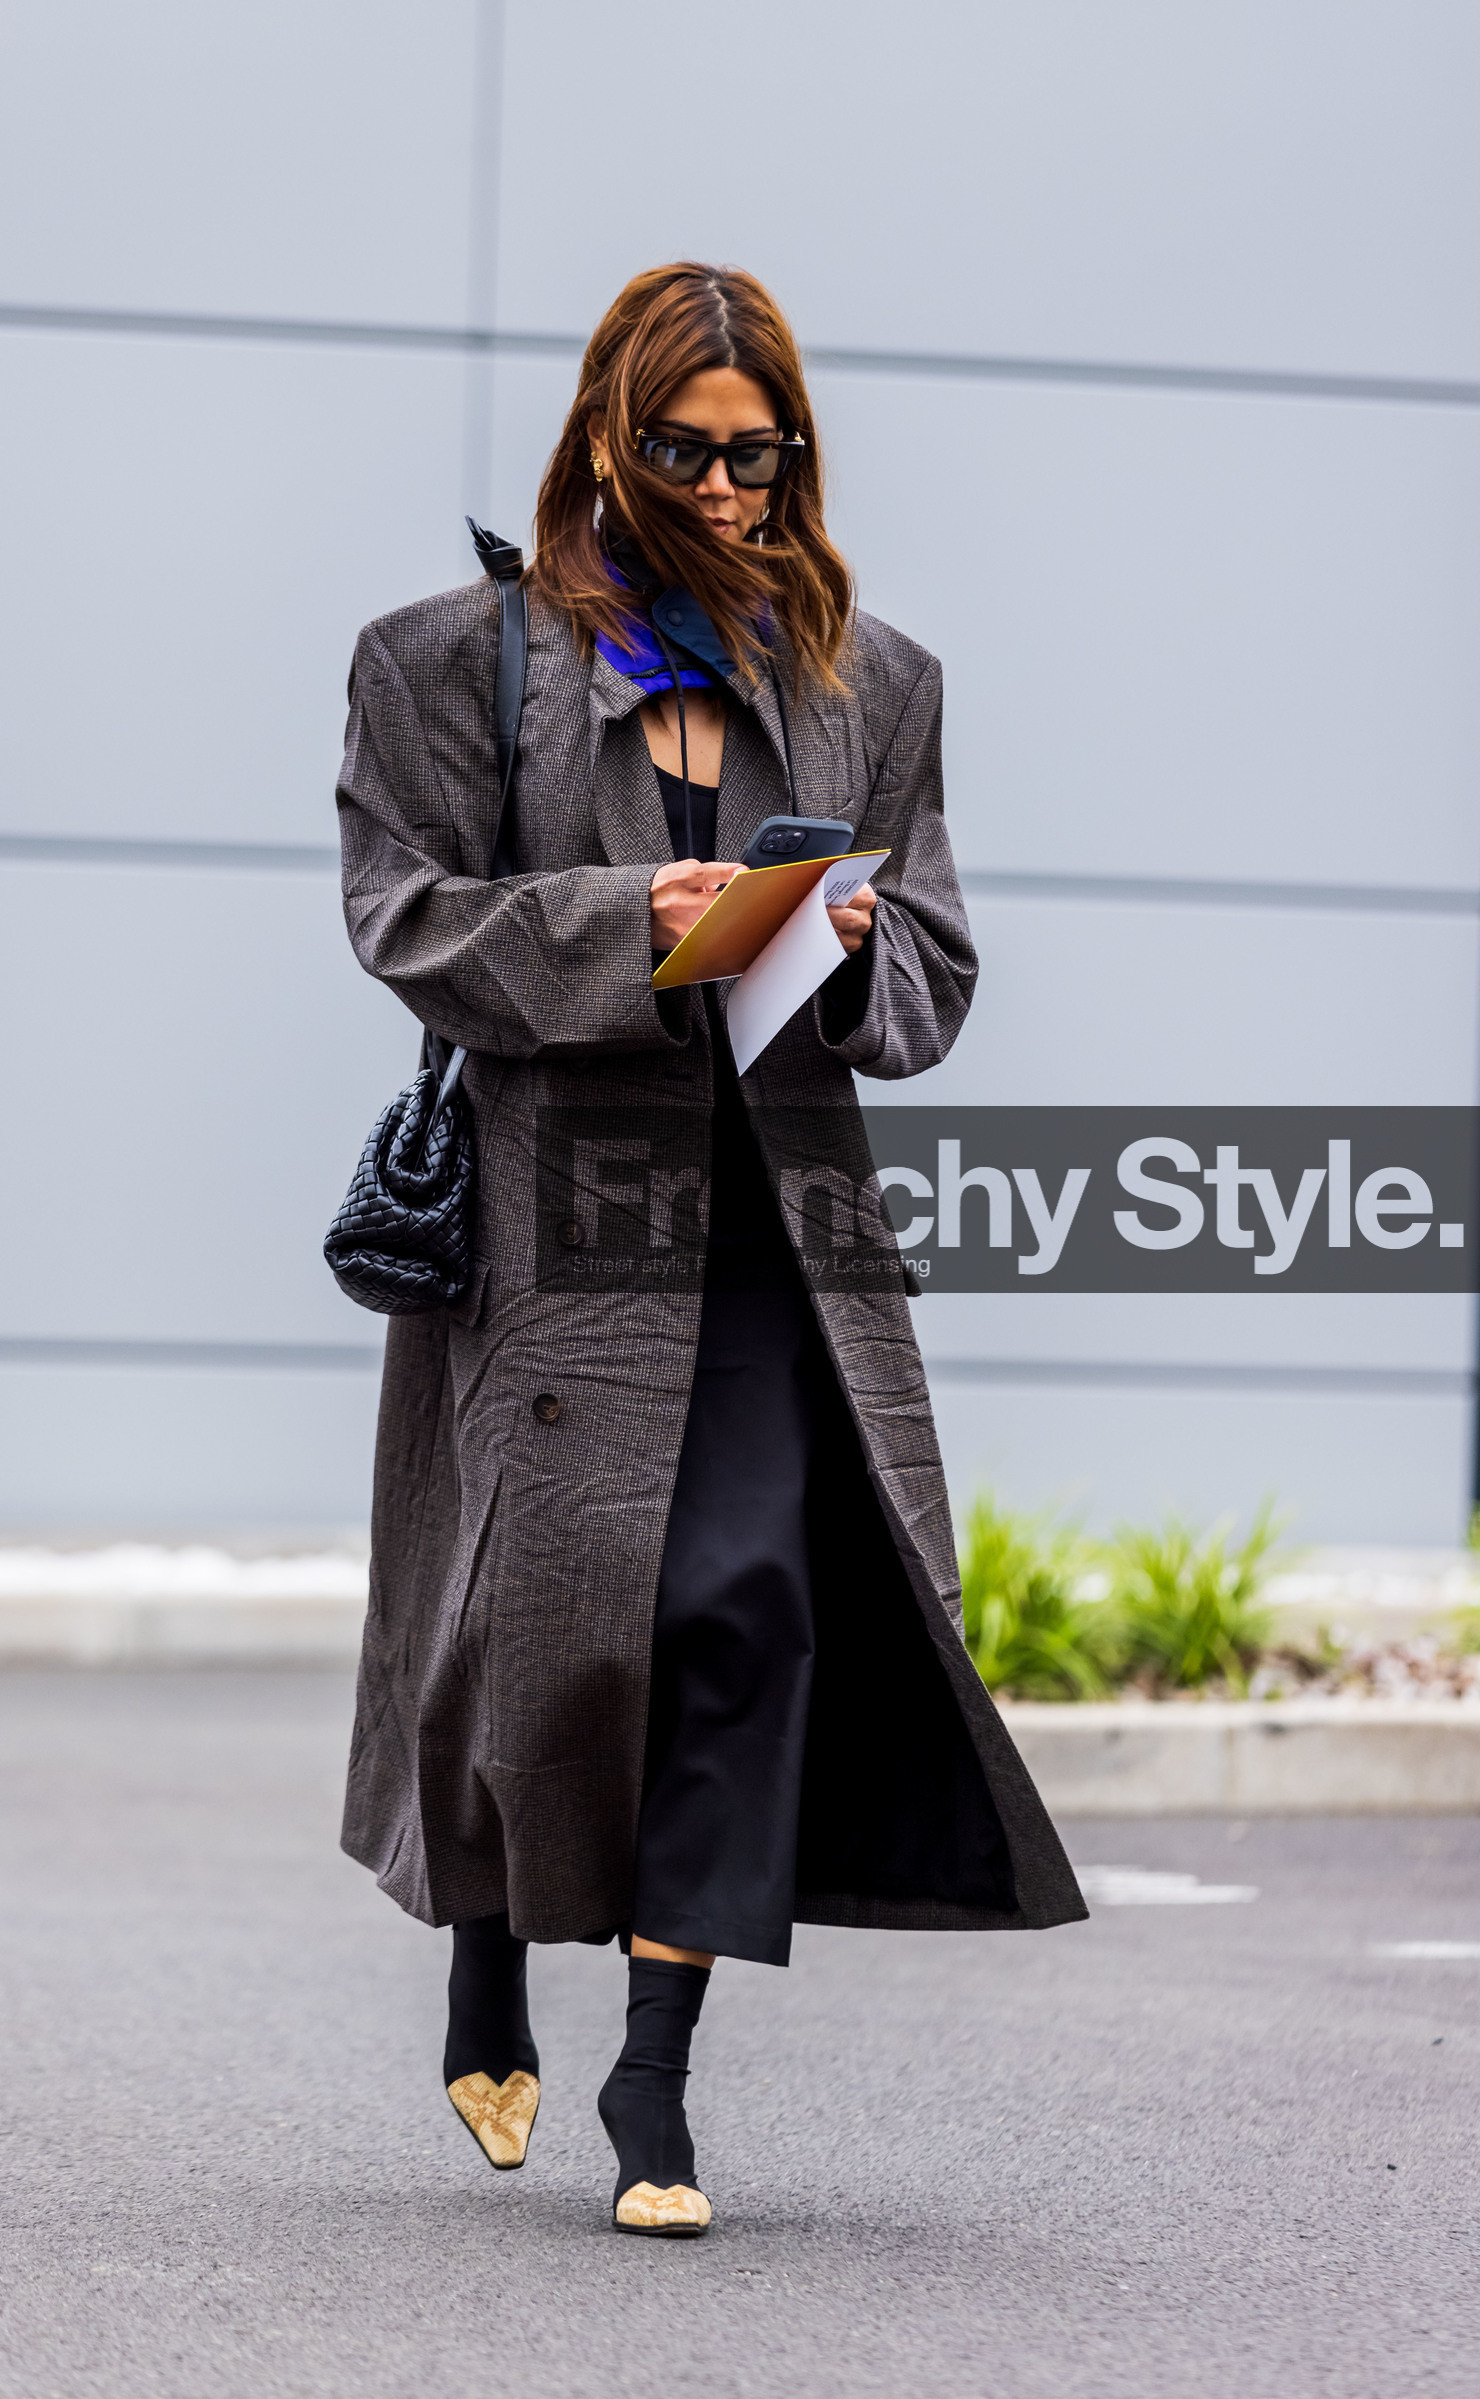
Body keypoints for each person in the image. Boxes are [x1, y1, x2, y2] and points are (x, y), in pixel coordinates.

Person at [335, 262, 1085, 2239]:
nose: (734, 488)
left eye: (766, 456)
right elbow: (399, 914)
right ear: (607, 432)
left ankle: (652, 2081)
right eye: (692, 451)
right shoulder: (449, 661)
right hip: (549, 1218)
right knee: (543, 1631)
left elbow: (934, 966)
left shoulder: (872, 679)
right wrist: (619, 919)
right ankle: (484, 1944)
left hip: (779, 1226)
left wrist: (837, 947)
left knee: (749, 1608)